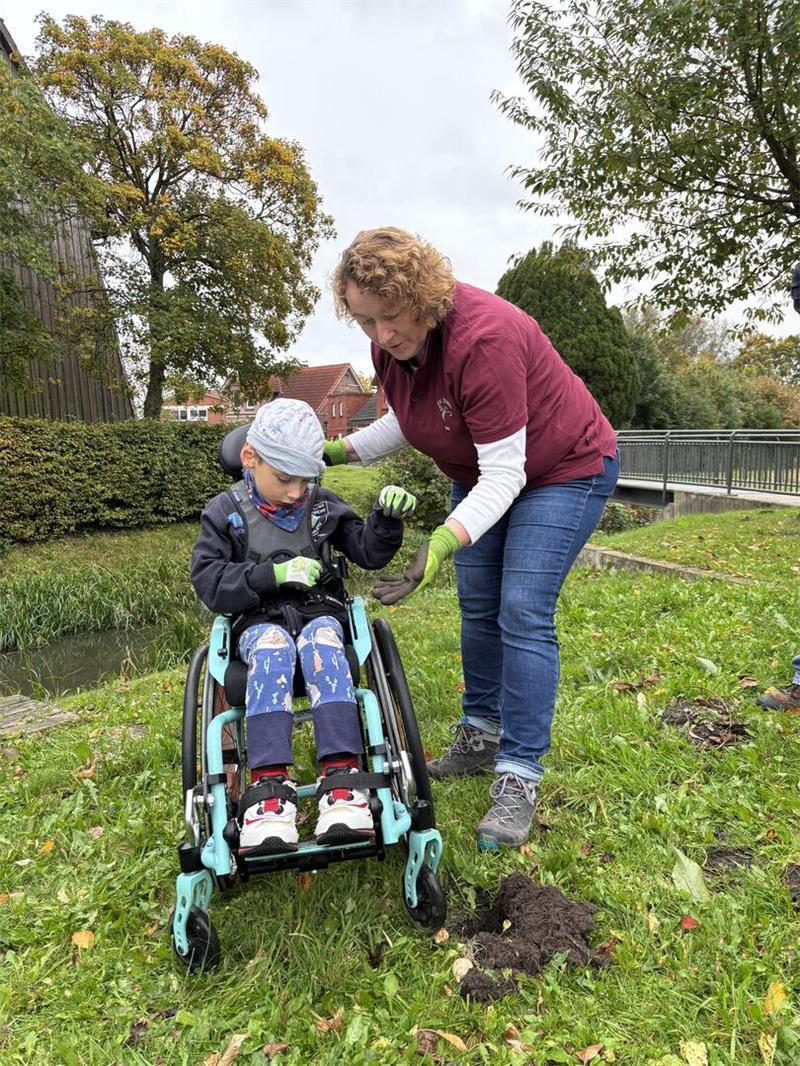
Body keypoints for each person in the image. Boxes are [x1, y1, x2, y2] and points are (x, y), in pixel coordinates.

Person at [325, 227, 619, 851]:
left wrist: (437, 545)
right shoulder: (390, 348)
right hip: (481, 474)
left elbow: (507, 473)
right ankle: (482, 735)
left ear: (423, 296)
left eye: (391, 316)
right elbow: (408, 420)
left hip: (563, 467)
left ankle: (519, 773)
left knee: (521, 609)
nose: (381, 335)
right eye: (365, 321)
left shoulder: (484, 339)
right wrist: (332, 451)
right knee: (478, 605)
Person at [190, 398, 416, 856]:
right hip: (260, 622)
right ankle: (269, 793)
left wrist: (386, 523)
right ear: (250, 459)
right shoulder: (225, 514)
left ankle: (342, 782)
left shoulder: (321, 506)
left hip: (318, 615)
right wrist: (268, 576)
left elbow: (367, 552)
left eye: (305, 480)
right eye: (285, 479)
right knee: (273, 648)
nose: (296, 492)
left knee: (322, 642)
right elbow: (209, 581)